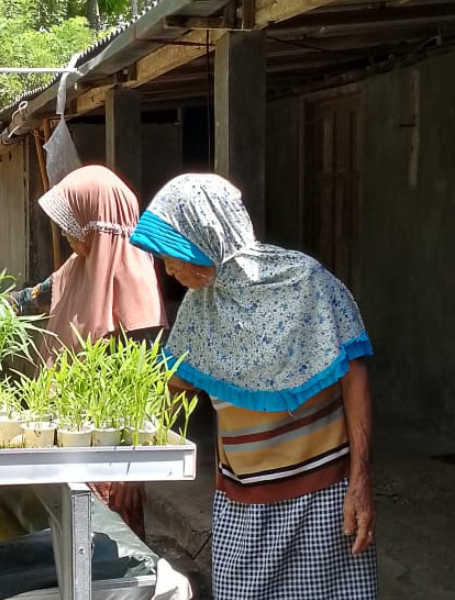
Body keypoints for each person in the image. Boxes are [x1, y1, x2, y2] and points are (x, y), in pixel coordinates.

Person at [129, 174, 377, 599]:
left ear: (211, 235)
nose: (167, 267)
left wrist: (360, 482)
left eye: (173, 252)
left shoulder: (307, 285)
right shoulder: (199, 309)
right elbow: (172, 388)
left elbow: (354, 372)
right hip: (243, 506)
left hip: (322, 499)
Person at [10, 164, 168, 539]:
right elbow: (29, 300)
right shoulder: (78, 267)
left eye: (73, 223)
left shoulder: (134, 280)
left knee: (105, 549)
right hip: (65, 436)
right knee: (65, 542)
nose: (67, 233)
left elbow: (147, 385)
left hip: (108, 451)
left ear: (97, 222)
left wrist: (134, 467)